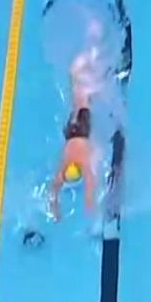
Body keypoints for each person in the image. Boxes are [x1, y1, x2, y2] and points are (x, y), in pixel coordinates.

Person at [50, 52, 98, 220]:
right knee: (76, 103)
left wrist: (89, 205)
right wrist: (55, 208)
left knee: (82, 102)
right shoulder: (65, 163)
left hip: (83, 132)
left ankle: (81, 70)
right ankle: (76, 73)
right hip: (70, 132)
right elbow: (54, 188)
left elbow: (90, 183)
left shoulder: (81, 162)